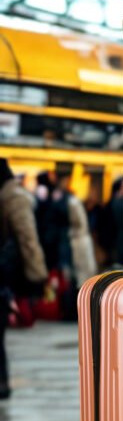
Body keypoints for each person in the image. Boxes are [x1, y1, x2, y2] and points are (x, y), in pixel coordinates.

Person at [0, 159, 47, 398]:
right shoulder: (12, 196)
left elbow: (28, 239)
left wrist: (37, 275)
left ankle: (2, 383)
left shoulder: (13, 198)